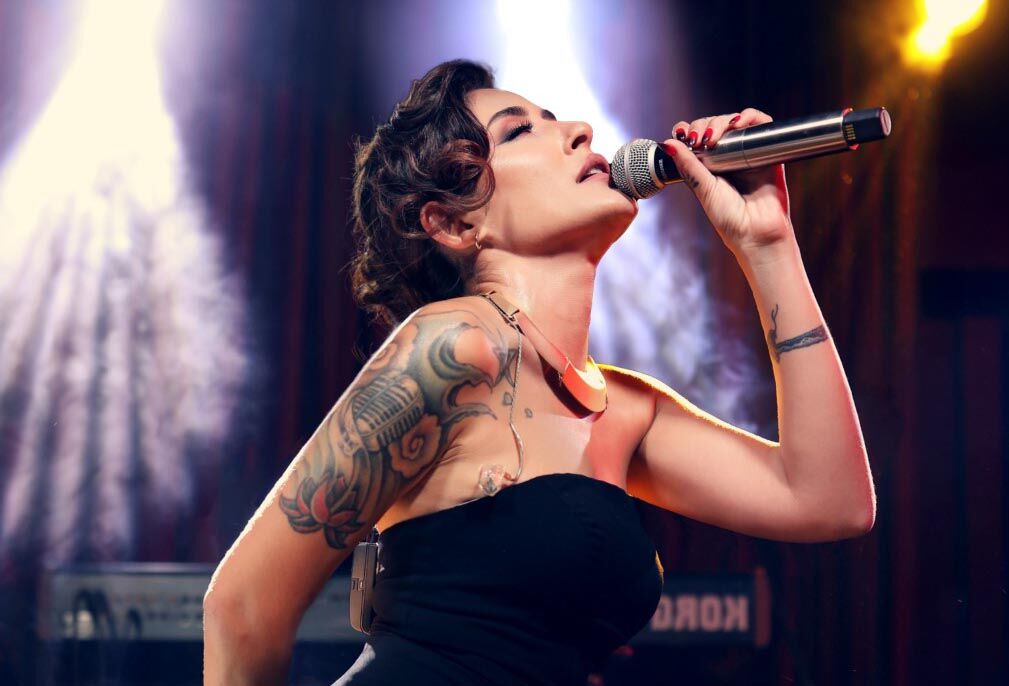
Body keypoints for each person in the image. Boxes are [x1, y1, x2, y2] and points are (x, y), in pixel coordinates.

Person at [202, 59, 876, 685]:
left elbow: (829, 501)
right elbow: (242, 607)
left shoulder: (626, 409)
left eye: (556, 118)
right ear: (453, 224)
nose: (580, 130)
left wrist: (767, 244)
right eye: (520, 130)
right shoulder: (456, 347)